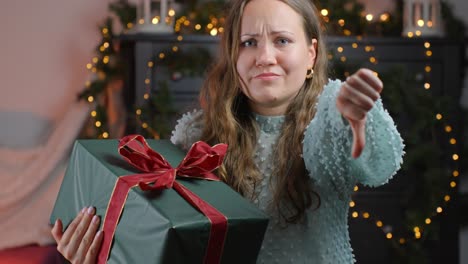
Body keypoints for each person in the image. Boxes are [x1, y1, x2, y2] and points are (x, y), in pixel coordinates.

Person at [51, 0, 405, 263]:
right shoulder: (196, 137)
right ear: (234, 57)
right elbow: (171, 240)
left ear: (311, 54)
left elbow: (376, 163)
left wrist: (357, 121)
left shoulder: (329, 113)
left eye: (282, 40)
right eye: (249, 42)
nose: (264, 56)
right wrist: (101, 250)